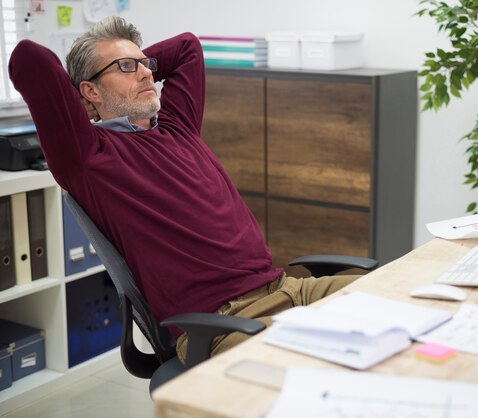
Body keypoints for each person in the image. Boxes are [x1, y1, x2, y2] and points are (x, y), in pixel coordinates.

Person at [9, 16, 360, 363]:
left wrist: (129, 71)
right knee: (327, 374)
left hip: (291, 289)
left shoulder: (178, 126)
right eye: (128, 66)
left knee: (399, 300)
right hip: (225, 324)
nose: (147, 73)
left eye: (147, 64)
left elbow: (187, 47)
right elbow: (29, 58)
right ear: (89, 90)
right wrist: (82, 101)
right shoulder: (87, 155)